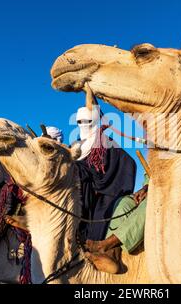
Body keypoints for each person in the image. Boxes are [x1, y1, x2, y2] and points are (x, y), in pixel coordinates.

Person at [73, 105, 139, 273]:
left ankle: (103, 252)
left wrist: (104, 184)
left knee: (103, 214)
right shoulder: (76, 145)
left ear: (95, 122)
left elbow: (128, 163)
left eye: (87, 121)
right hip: (80, 193)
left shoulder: (106, 143)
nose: (83, 125)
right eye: (79, 121)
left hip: (104, 195)